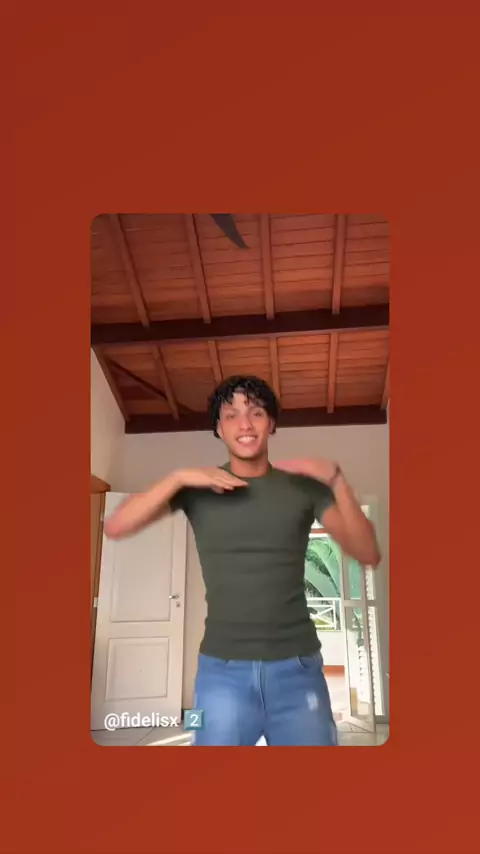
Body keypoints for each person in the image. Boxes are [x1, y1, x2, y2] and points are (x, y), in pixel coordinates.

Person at [104, 375, 381, 746]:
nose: (245, 424)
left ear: (272, 423)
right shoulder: (196, 488)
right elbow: (116, 526)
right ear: (219, 428)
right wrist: (179, 477)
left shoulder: (303, 488)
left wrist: (337, 482)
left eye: (256, 412)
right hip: (220, 674)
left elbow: (368, 553)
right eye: (231, 415)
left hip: (299, 671)